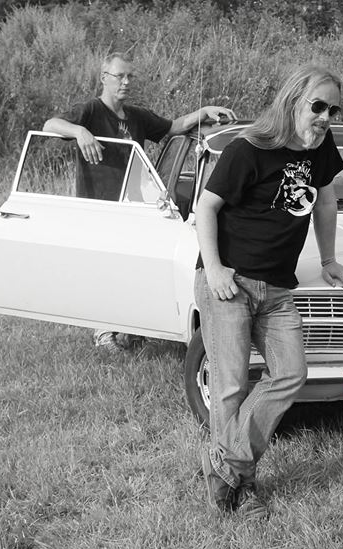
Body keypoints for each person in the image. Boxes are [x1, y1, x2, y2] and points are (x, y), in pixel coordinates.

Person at [195, 65, 343, 519]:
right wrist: (215, 269)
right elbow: (206, 207)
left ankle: (226, 464)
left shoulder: (321, 146)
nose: (326, 117)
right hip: (230, 282)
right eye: (318, 106)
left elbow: (325, 202)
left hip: (278, 288)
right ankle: (241, 487)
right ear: (292, 101)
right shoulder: (247, 148)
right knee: (230, 386)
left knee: (291, 373)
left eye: (334, 109)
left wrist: (328, 260)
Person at [44, 52, 237, 352]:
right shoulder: (91, 111)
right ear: (104, 78)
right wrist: (80, 131)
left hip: (133, 206)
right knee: (103, 269)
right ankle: (104, 332)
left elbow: (173, 127)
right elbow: (49, 125)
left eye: (129, 76)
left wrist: (203, 112)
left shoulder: (137, 116)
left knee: (129, 269)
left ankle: (132, 327)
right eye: (119, 76)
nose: (126, 82)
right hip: (99, 207)